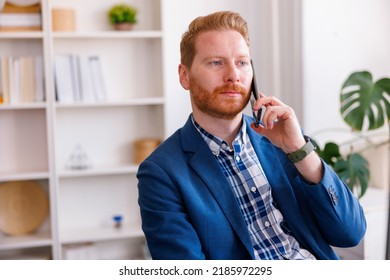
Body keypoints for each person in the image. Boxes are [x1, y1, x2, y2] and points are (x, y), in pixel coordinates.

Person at [137, 11, 366, 260]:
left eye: (242, 63)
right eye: (216, 62)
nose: (233, 75)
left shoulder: (284, 141)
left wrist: (299, 151)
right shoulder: (161, 173)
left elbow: (351, 234)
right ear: (185, 76)